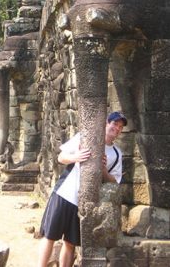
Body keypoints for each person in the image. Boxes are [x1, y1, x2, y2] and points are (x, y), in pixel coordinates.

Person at [37, 111, 127, 267]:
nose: (117, 128)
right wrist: (76, 157)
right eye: (114, 123)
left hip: (85, 202)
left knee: (70, 243)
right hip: (64, 193)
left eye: (120, 127)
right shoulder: (84, 138)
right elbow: (61, 157)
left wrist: (104, 170)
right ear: (106, 123)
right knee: (50, 236)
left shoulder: (117, 154)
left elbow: (115, 181)